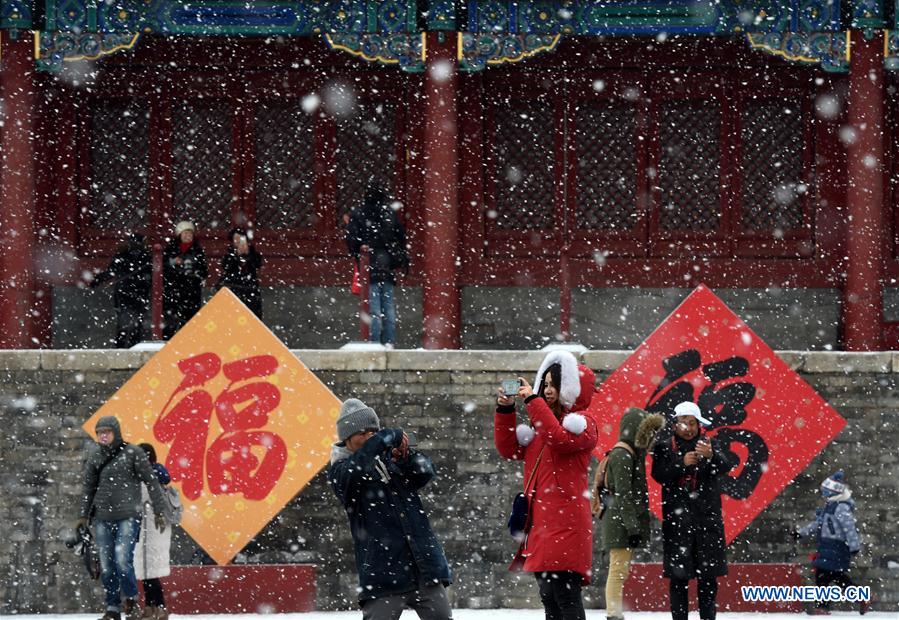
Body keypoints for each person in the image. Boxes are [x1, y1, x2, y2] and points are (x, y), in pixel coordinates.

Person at [494, 350, 599, 620]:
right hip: (541, 524)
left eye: (555, 385)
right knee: (548, 598)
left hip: (567, 524)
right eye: (546, 383)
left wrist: (532, 400)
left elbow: (560, 439)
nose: (548, 390)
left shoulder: (582, 424)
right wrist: (505, 409)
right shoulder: (540, 425)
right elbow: (509, 449)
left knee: (565, 596)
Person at [328, 398, 452, 620]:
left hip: (423, 567)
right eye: (362, 433)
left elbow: (425, 472)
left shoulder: (387, 459)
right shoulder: (341, 470)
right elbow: (358, 467)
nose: (369, 438)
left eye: (373, 432)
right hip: (382, 574)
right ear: (347, 438)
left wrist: (406, 457)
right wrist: (383, 438)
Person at [651, 401, 738, 620]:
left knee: (708, 581)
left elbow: (726, 466)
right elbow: (658, 475)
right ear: (675, 424)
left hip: (707, 523)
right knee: (678, 580)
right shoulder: (664, 446)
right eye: (683, 423)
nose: (688, 428)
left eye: (692, 423)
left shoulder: (709, 443)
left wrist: (711, 456)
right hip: (677, 524)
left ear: (699, 424)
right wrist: (681, 463)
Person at [75, 417, 168, 620]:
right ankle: (112, 608)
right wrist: (83, 516)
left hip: (128, 516)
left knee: (123, 561)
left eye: (107, 431)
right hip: (102, 518)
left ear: (116, 432)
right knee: (107, 565)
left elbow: (152, 481)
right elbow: (88, 489)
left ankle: (132, 602)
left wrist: (160, 510)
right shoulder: (95, 457)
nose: (103, 435)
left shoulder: (133, 453)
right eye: (100, 432)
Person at [595, 408, 664, 620]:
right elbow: (623, 495)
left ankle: (614, 613)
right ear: (636, 431)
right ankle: (613, 615)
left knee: (619, 570)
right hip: (620, 523)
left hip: (619, 520)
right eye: (647, 432)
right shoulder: (623, 456)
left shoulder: (629, 454)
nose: (651, 437)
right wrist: (633, 528)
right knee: (617, 571)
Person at [794, 471, 868, 615]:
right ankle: (862, 597)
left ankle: (823, 607)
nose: (823, 494)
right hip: (827, 547)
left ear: (832, 492)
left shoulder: (841, 507)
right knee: (835, 577)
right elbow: (817, 524)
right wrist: (801, 533)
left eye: (825, 492)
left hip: (837, 548)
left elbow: (849, 528)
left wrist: (854, 546)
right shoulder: (830, 506)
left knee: (825, 576)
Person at [345, 183, 408, 348]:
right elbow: (400, 237)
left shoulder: (359, 214)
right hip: (386, 265)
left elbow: (352, 239)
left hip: (369, 266)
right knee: (388, 309)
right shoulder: (389, 214)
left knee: (373, 310)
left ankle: (374, 343)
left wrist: (359, 249)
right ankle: (389, 342)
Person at [89, 233, 152, 348]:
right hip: (138, 292)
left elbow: (110, 272)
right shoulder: (146, 256)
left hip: (125, 291)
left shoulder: (123, 255)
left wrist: (96, 282)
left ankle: (121, 347)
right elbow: (151, 275)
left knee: (123, 323)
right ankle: (134, 346)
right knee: (137, 323)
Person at [133, 444, 172, 620]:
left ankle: (159, 608)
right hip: (153, 528)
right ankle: (152, 607)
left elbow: (142, 498)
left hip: (152, 527)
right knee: (148, 571)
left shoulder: (148, 476)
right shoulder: (159, 473)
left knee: (149, 571)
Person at [162, 220, 208, 340]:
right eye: (185, 233)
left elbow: (204, 270)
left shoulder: (197, 250)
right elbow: (163, 266)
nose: (188, 236)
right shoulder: (171, 249)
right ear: (180, 235)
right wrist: (173, 262)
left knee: (190, 319)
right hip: (173, 288)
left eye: (190, 233)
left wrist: (195, 271)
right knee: (170, 320)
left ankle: (189, 341)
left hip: (191, 289)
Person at [217, 227, 263, 318]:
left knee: (252, 316)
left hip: (250, 290)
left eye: (240, 238)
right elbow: (226, 267)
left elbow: (257, 264)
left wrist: (248, 254)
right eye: (235, 239)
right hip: (234, 289)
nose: (238, 241)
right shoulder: (229, 255)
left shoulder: (254, 253)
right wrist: (236, 255)